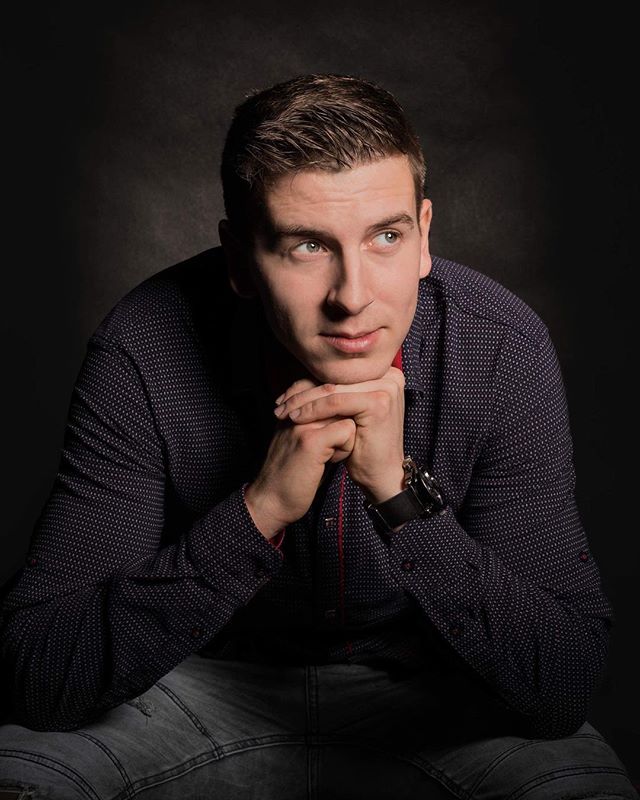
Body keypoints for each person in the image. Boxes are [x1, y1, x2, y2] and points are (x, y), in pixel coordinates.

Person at [0, 73, 636, 799]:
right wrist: (258, 510)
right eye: (307, 246)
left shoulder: (501, 350)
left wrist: (400, 498)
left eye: (386, 236)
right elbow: (38, 676)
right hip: (189, 688)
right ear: (240, 259)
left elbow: (562, 689)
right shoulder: (144, 349)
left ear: (425, 236)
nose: (353, 295)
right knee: (21, 780)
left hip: (435, 693)